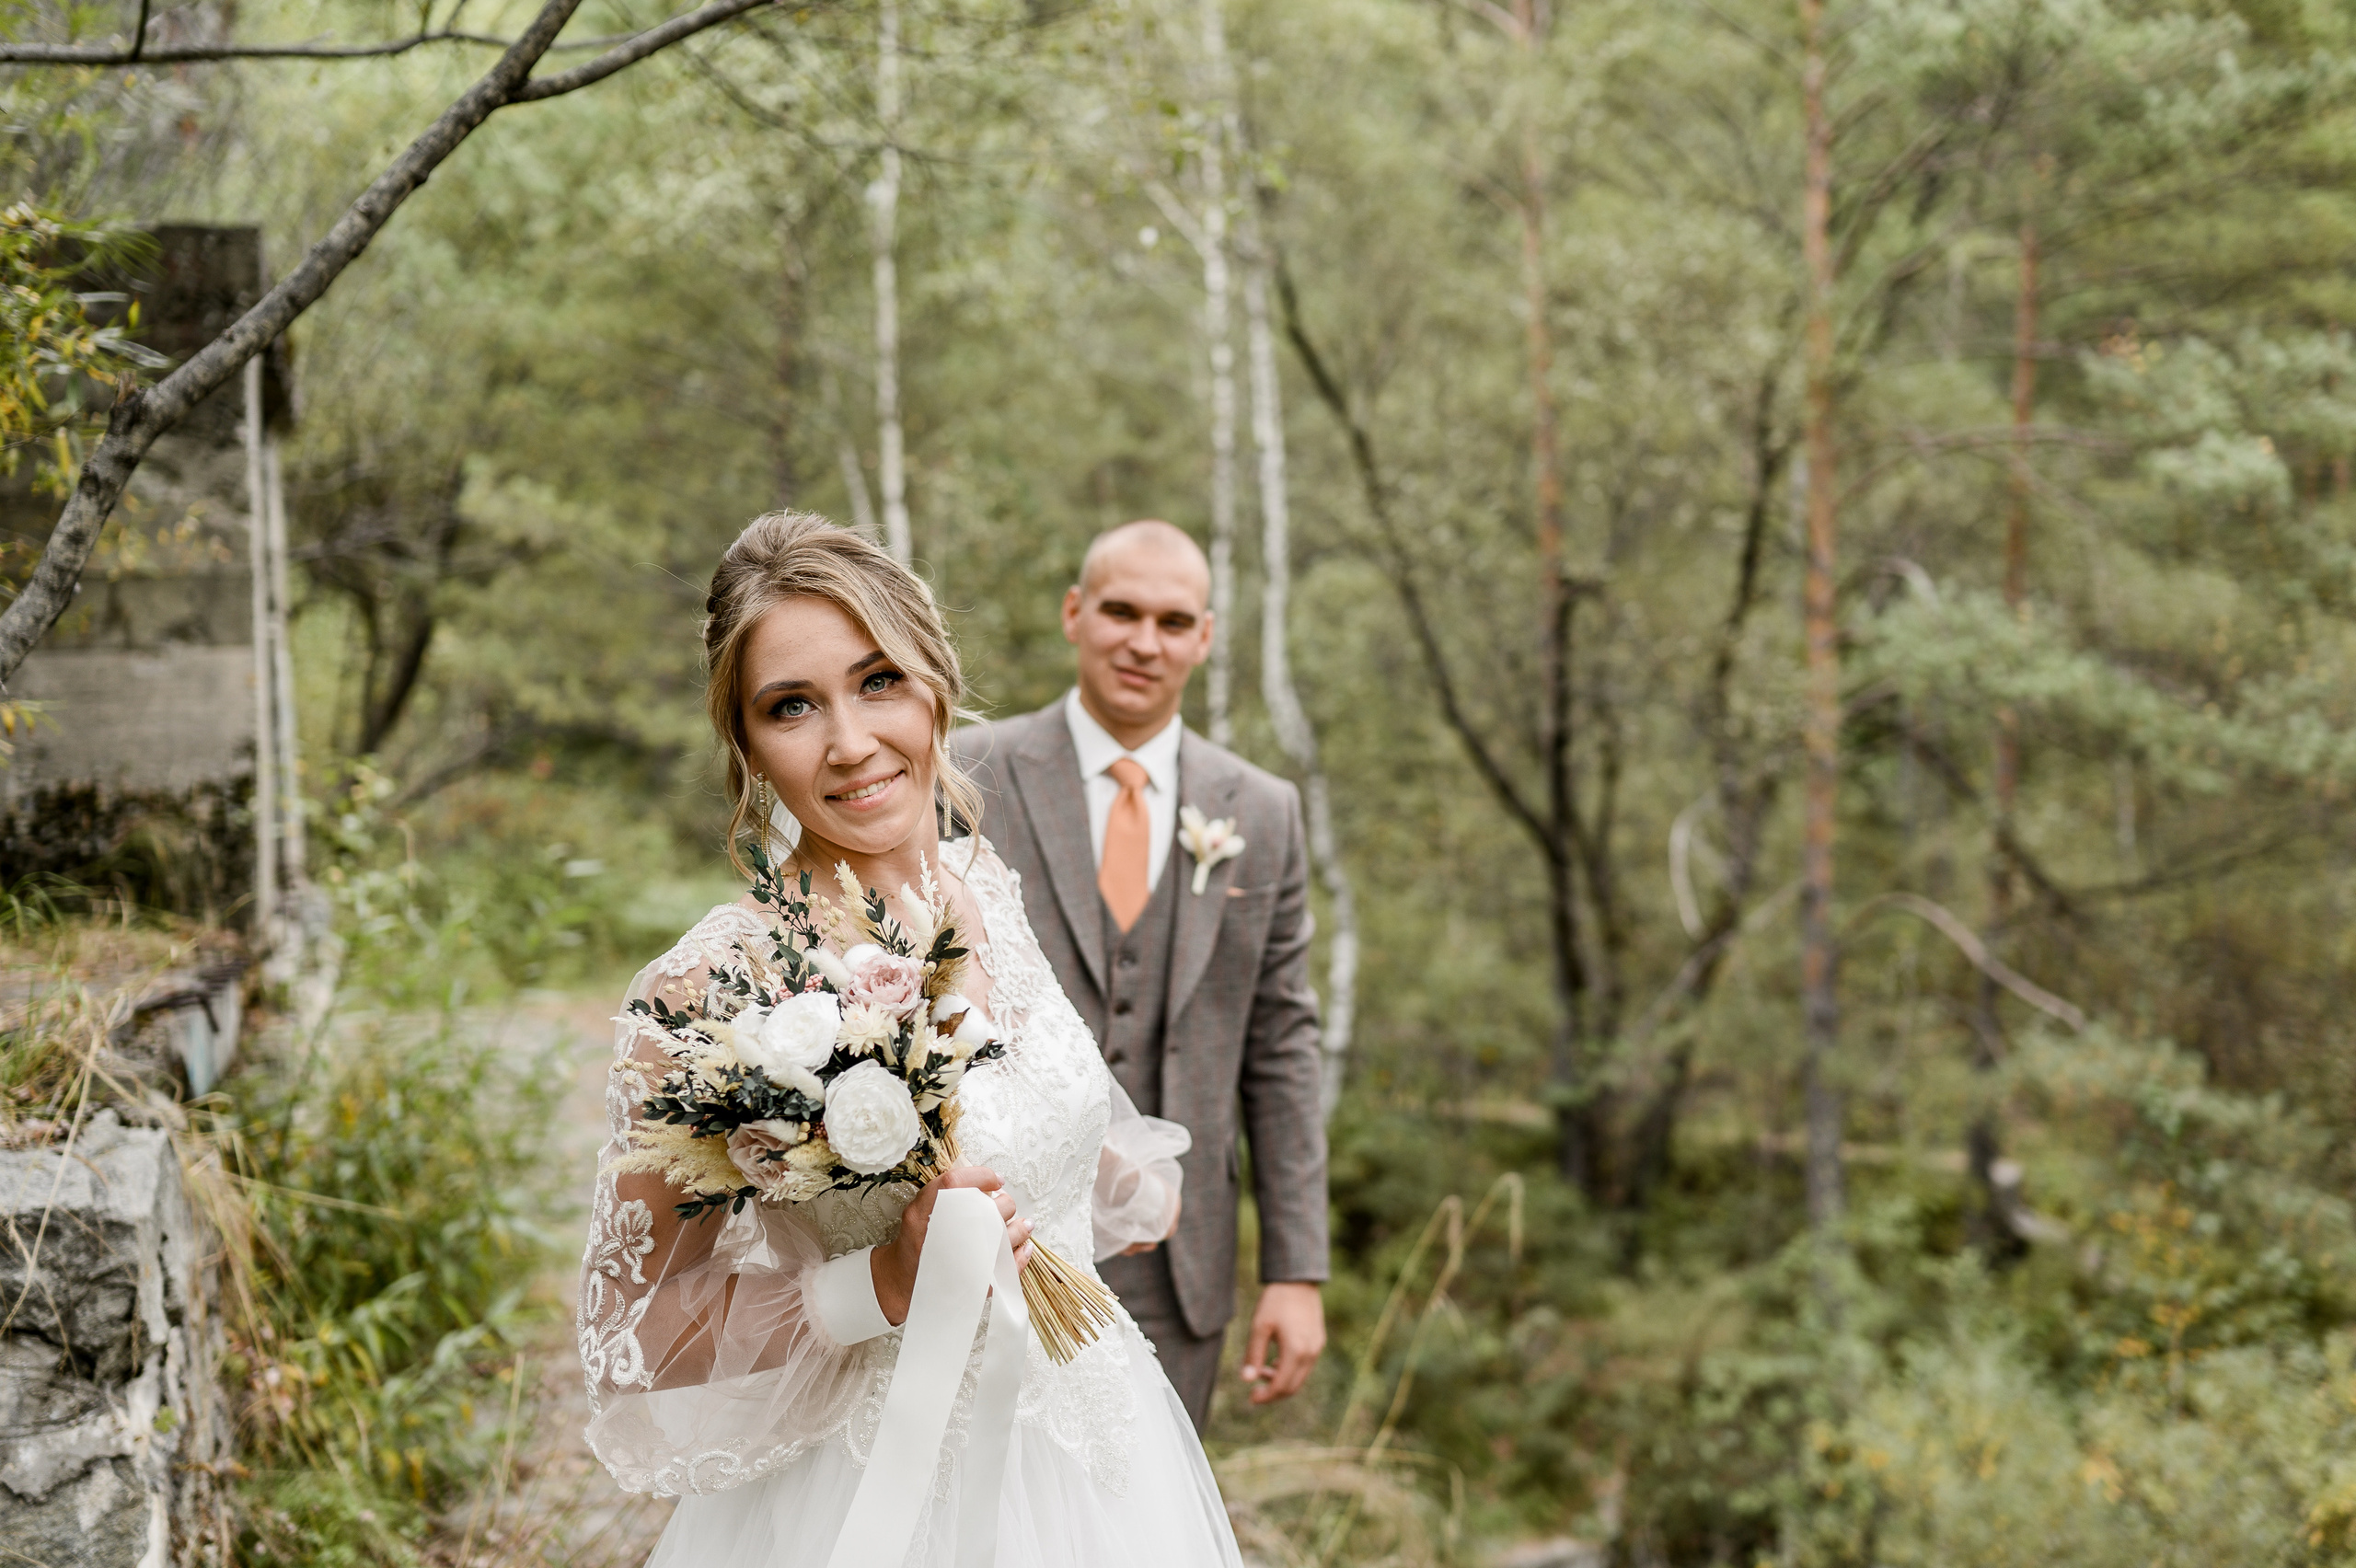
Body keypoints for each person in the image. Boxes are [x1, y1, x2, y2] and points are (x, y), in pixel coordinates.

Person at [576, 513, 1244, 1566]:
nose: (849, 742)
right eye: (791, 706)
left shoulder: (980, 882)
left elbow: (1022, 1117)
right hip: (880, 1493)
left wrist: (1093, 1170)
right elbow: (634, 1339)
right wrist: (879, 1283)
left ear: (935, 679)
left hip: (1105, 1462)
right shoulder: (707, 990)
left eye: (877, 679)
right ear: (745, 743)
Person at [952, 519, 1329, 1434]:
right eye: (1120, 612)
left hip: (1178, 1263)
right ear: (1074, 614)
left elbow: (1281, 1048)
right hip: (994, 1237)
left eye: (1171, 621)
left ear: (1203, 638)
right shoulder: (967, 770)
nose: (1142, 642)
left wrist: (1295, 1270)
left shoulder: (1264, 812)